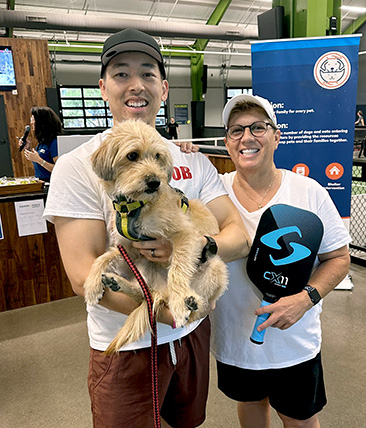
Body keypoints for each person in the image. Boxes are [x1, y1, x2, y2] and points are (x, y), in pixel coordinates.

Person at [43, 28, 250, 428]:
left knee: (189, 422)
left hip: (192, 333)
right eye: (121, 74)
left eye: (148, 74)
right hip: (125, 346)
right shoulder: (78, 165)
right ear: (103, 88)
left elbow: (236, 235)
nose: (136, 85)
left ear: (165, 89)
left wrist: (192, 250)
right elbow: (82, 275)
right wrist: (165, 312)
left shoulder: (193, 163)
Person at [209, 94, 351, 428]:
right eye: (236, 130)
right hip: (234, 341)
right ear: (227, 142)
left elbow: (339, 258)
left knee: (300, 420)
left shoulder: (309, 191)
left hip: (294, 344)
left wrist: (305, 300)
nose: (247, 137)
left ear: (277, 136)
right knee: (251, 408)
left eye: (258, 127)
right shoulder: (213, 193)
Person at [19, 106, 62, 182]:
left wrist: (39, 160)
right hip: (40, 182)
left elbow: (59, 169)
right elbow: (37, 161)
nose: (31, 122)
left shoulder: (54, 142)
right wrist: (27, 148)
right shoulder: (42, 142)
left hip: (51, 184)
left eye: (33, 119)